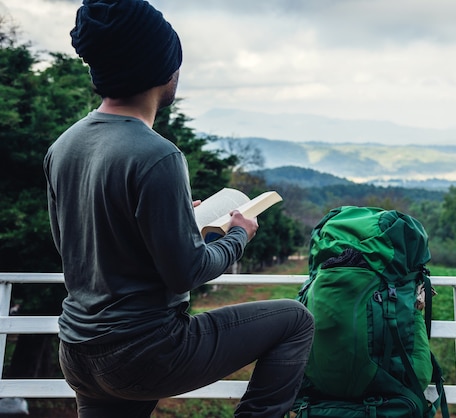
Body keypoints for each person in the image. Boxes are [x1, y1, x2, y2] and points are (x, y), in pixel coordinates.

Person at [43, 1, 314, 417]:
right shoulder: (157, 155)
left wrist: (176, 218)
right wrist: (238, 234)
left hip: (79, 351)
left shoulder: (64, 146)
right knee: (295, 319)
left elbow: (77, 247)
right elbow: (186, 271)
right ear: (161, 69)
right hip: (146, 353)